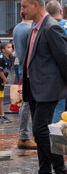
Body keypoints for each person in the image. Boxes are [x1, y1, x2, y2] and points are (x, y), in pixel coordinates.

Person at [21, 0, 67, 174]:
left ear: (36, 5)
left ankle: (60, 169)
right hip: (34, 88)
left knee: (40, 129)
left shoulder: (51, 27)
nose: (22, 11)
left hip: (48, 88)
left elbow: (63, 58)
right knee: (38, 131)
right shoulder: (33, 29)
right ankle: (44, 170)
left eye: (24, 6)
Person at [12, 15, 37, 149]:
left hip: (22, 67)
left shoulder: (17, 28)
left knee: (26, 103)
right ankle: (24, 136)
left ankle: (24, 135)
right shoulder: (29, 29)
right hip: (29, 69)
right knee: (28, 104)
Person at [0, 42, 13, 124]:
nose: (11, 48)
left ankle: (2, 114)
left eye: (11, 47)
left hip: (2, 82)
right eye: (8, 47)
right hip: (1, 81)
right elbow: (0, 71)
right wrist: (5, 80)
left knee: (1, 99)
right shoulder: (1, 58)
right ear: (3, 50)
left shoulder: (10, 58)